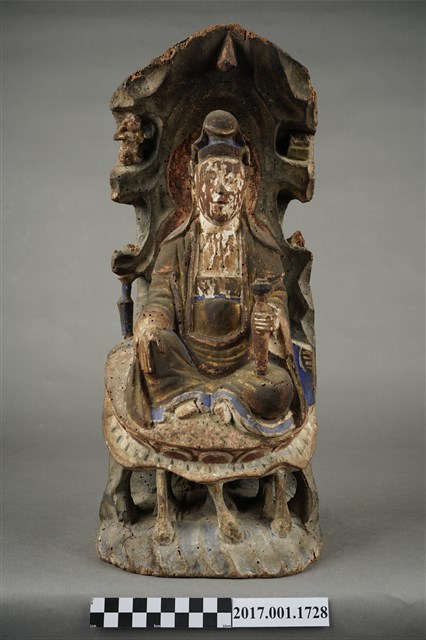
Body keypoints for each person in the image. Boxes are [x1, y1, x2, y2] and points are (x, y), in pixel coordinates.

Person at [133, 110, 307, 435]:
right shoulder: (177, 244)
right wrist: (152, 321)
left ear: (245, 185)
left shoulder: (260, 246)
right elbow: (160, 294)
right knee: (151, 350)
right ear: (194, 183)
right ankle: (212, 398)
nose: (219, 191)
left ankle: (206, 398)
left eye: (229, 179)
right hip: (186, 360)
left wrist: (270, 315)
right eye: (211, 179)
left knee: (276, 388)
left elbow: (276, 295)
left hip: (245, 362)